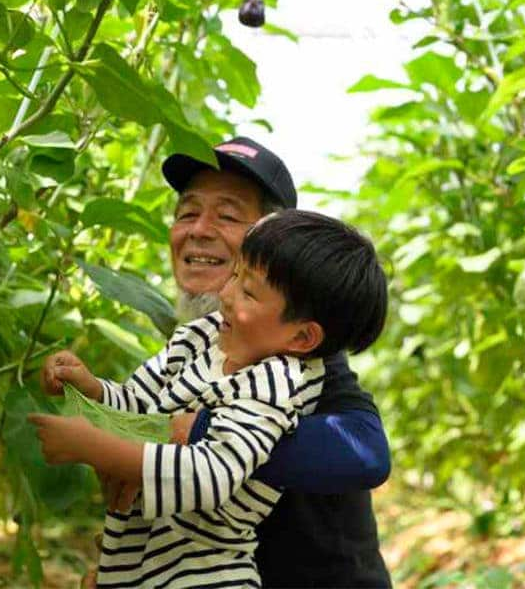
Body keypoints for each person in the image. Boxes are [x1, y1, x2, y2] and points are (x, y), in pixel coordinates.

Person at [39, 137, 392, 587]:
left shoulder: (298, 360)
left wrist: (191, 429)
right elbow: (137, 412)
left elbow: (366, 453)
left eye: (227, 216)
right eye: (187, 212)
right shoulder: (203, 341)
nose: (199, 229)